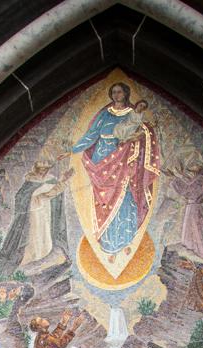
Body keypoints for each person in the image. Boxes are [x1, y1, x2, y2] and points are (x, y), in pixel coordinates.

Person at [69, 82, 160, 262]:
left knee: (126, 195)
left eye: (120, 92)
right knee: (105, 198)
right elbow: (92, 135)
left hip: (125, 157)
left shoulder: (134, 115)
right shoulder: (105, 114)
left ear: (126, 94)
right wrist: (73, 149)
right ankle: (109, 244)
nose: (117, 95)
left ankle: (125, 240)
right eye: (114, 92)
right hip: (103, 159)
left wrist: (141, 134)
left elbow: (145, 133)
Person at [0, 159, 71, 277]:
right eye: (41, 169)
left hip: (45, 211)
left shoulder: (51, 179)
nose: (43, 172)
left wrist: (62, 182)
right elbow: (21, 196)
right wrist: (34, 198)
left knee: (44, 232)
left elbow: (54, 192)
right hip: (33, 213)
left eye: (46, 169)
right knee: (33, 234)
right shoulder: (29, 181)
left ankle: (43, 254)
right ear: (36, 169)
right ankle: (31, 256)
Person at [164, 155, 203, 259]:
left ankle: (202, 251)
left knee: (198, 229)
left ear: (200, 168)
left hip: (194, 209)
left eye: (194, 167)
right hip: (195, 207)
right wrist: (179, 175)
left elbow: (189, 191)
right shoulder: (201, 179)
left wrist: (174, 178)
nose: (191, 170)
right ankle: (198, 249)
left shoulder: (201, 180)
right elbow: (191, 184)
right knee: (198, 229)